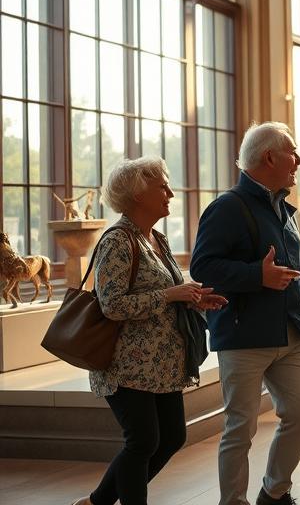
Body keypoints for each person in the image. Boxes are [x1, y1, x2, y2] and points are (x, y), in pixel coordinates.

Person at [72, 157, 226, 505]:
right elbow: (112, 305)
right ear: (138, 195)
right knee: (142, 442)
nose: (170, 193)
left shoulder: (155, 238)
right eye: (162, 186)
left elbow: (163, 292)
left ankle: (97, 502)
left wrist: (193, 297)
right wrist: (170, 294)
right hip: (126, 366)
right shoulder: (117, 241)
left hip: (159, 367)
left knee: (171, 438)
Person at [190, 122, 300, 505]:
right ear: (269, 157)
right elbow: (203, 266)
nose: (298, 161)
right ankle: (233, 501)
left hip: (291, 334)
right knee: (240, 428)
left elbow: (296, 266)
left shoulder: (285, 209)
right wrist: (257, 276)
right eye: (292, 153)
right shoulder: (226, 207)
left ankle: (274, 491)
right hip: (244, 336)